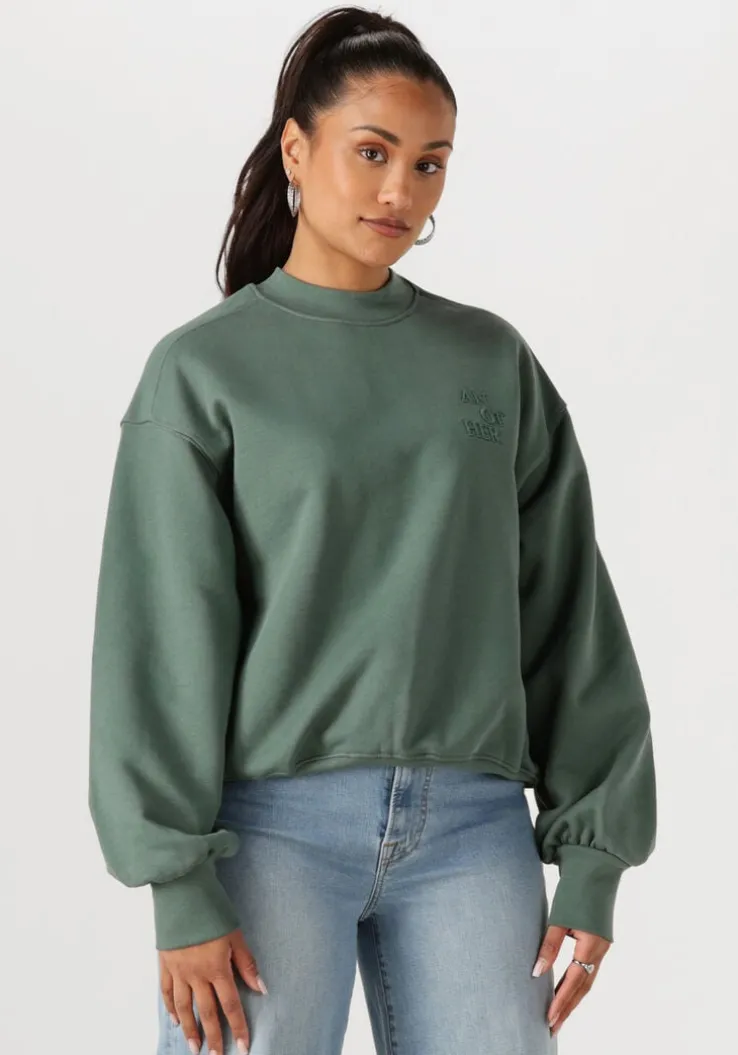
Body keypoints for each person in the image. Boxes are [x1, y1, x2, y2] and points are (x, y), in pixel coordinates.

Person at [87, 6, 657, 1054]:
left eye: (430, 163)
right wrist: (178, 881)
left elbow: (568, 609)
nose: (402, 190)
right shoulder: (204, 371)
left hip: (475, 828)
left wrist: (594, 852)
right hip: (269, 829)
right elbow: (160, 633)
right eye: (373, 152)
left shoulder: (490, 362)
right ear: (296, 151)